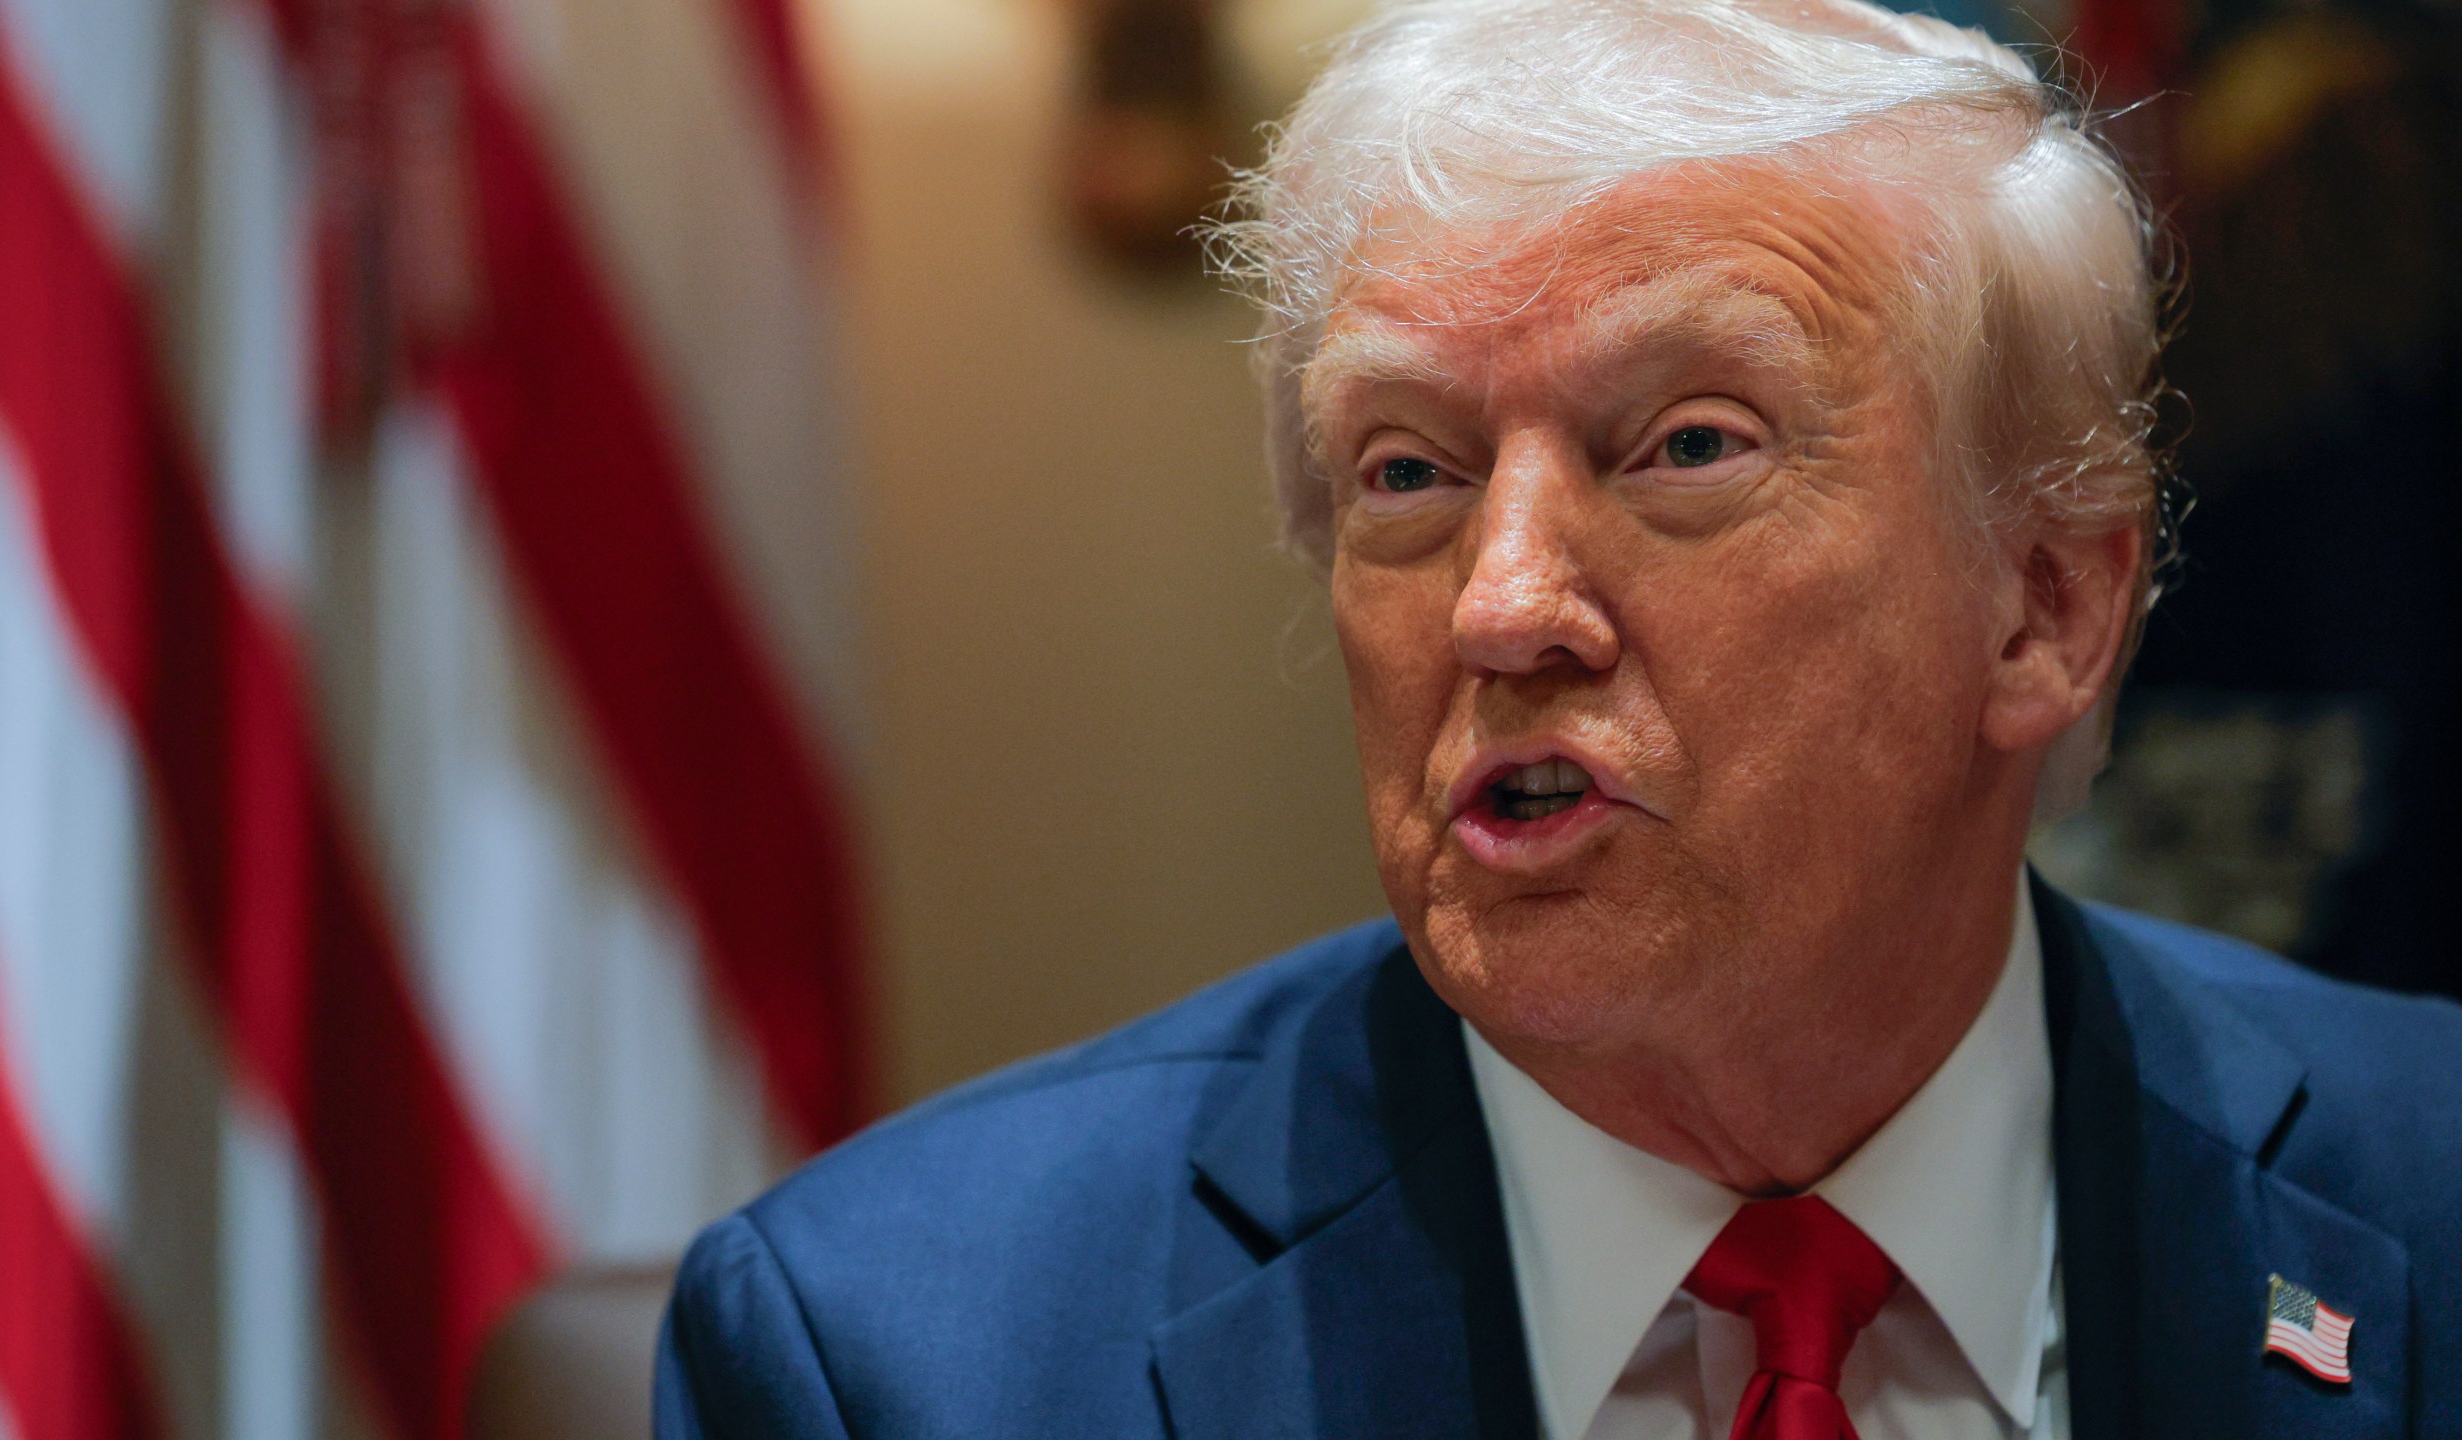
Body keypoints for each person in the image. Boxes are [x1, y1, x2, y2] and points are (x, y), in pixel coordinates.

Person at [654, 0, 2462, 1435]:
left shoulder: (2428, 1195)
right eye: (1408, 471)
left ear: (2048, 608)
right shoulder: (903, 1360)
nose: (1502, 604)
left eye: (1686, 446)